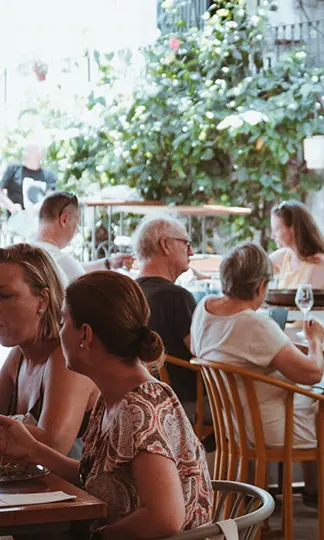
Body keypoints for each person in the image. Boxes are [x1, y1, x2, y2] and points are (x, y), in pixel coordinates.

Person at [0, 271, 212, 539]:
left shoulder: (139, 407)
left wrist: (98, 537)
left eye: (64, 321)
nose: (59, 331)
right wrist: (33, 451)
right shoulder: (113, 397)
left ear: (85, 335)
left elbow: (164, 518)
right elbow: (100, 481)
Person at [191, 242, 324, 509]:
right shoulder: (255, 324)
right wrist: (315, 341)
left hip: (232, 423)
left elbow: (199, 350)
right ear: (260, 288)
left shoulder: (203, 309)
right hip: (272, 429)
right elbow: (312, 373)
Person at [0, 244, 99, 458]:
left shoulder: (67, 355)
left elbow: (53, 445)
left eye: (5, 296)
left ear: (42, 300)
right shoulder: (19, 353)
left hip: (80, 491)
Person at [132, 216, 198, 406]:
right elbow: (204, 354)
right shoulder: (177, 298)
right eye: (186, 244)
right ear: (165, 245)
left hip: (140, 399)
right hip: (181, 403)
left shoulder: (128, 292)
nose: (191, 252)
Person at [30, 191, 133, 285]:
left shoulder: (24, 251)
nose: (76, 230)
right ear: (64, 219)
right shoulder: (61, 261)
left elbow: (76, 267)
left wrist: (109, 263)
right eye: (77, 223)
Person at [270, 201, 324, 289]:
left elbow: (302, 299)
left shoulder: (318, 261)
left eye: (277, 229)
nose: (272, 236)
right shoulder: (286, 255)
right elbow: (257, 268)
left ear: (293, 229)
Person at [0, 139, 57, 215]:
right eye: (25, 150)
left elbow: (49, 198)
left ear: (41, 155)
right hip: (15, 221)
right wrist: (11, 206)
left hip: (39, 222)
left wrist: (35, 210)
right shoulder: (13, 168)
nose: (25, 154)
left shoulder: (49, 174)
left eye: (30, 151)